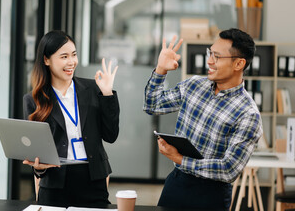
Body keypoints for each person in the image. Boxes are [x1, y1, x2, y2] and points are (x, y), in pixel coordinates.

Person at [143, 28, 263, 210]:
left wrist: (180, 159)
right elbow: (152, 105)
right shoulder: (194, 85)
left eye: (217, 56)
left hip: (211, 195)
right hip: (176, 183)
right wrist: (161, 70)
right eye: (210, 53)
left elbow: (229, 169)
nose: (209, 61)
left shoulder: (248, 114)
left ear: (239, 64)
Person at [23, 30, 119, 208]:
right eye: (64, 56)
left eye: (74, 55)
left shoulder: (93, 88)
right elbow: (36, 151)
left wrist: (107, 94)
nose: (71, 62)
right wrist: (38, 168)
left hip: (92, 180)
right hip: (55, 183)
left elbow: (111, 135)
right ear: (46, 60)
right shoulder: (34, 100)